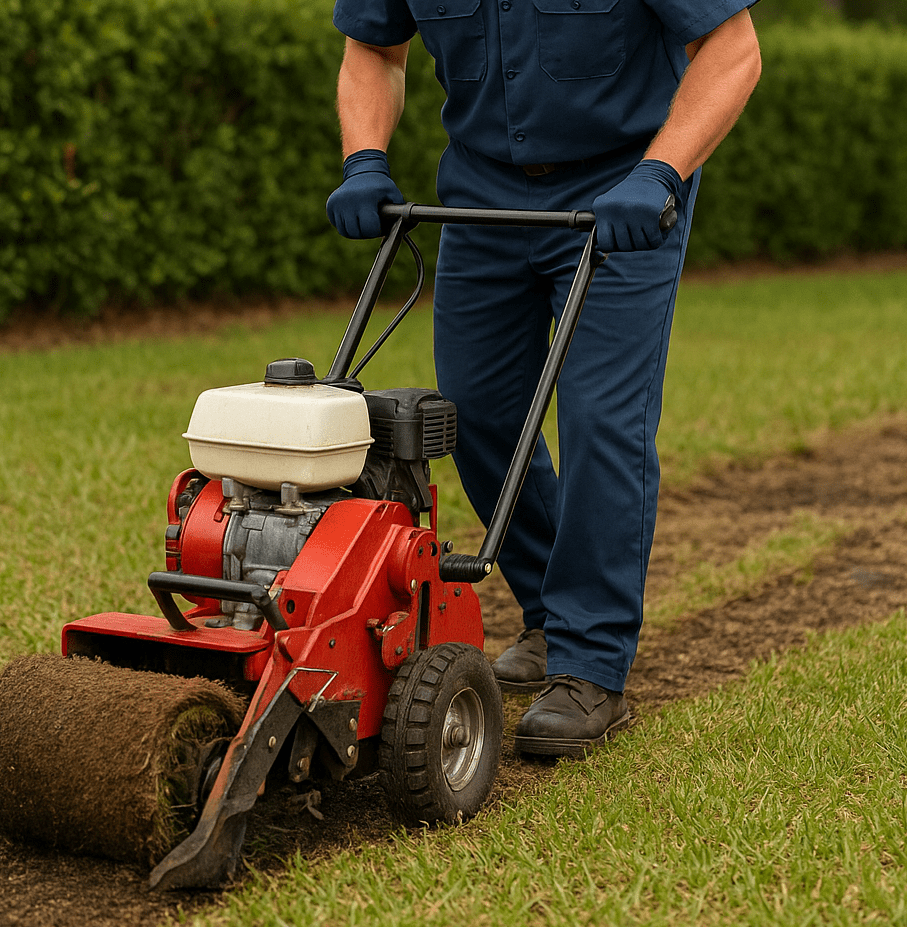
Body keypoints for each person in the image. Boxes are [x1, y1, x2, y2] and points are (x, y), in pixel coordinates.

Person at [326, 0, 761, 758]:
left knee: (601, 418)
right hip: (479, 190)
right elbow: (375, 52)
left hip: (624, 192)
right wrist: (365, 158)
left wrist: (659, 172)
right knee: (477, 412)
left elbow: (731, 49)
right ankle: (547, 615)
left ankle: (591, 662)